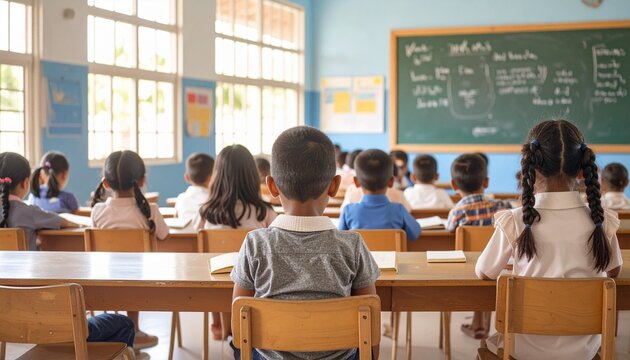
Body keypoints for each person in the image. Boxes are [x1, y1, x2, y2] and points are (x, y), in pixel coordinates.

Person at [476, 119, 622, 359]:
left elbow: (484, 272)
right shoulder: (601, 220)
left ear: (531, 166)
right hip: (583, 350)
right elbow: (613, 270)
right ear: (582, 170)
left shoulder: (515, 220)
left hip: (522, 349)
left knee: (487, 345)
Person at [230, 126, 380, 360]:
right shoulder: (352, 244)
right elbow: (370, 320)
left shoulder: (255, 243)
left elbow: (238, 319)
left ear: (271, 187)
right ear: (334, 185)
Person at [91, 150, 169, 350]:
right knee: (133, 269)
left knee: (122, 268)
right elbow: (164, 235)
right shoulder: (150, 211)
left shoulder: (98, 211)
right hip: (142, 281)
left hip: (104, 279)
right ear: (142, 180)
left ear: (105, 183)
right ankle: (133, 327)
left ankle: (119, 328)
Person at [199, 144, 277, 339]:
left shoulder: (206, 212)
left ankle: (218, 322)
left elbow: (197, 239)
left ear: (217, 175)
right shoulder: (264, 211)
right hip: (254, 288)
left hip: (214, 286)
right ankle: (238, 326)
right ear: (252, 176)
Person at [446, 153, 511, 339]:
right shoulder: (502, 205)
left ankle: (478, 325)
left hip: (467, 268)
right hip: (498, 267)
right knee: (490, 266)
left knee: (477, 265)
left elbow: (451, 229)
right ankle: (481, 325)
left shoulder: (458, 211)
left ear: (453, 185)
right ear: (487, 182)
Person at [0, 152, 78, 250]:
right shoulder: (29, 212)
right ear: (25, 183)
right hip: (26, 265)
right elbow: (63, 222)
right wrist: (79, 224)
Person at [339, 149, 421, 242]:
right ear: (391, 182)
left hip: (358, 257)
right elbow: (415, 234)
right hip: (392, 256)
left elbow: (341, 239)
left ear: (356, 182)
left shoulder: (348, 211)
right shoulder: (399, 210)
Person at [174, 153, 214, 222]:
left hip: (184, 232)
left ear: (187, 177)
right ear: (212, 177)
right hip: (205, 232)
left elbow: (176, 219)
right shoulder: (213, 200)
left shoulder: (181, 198)